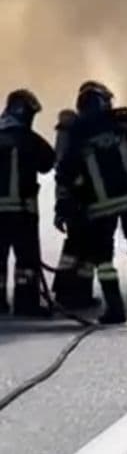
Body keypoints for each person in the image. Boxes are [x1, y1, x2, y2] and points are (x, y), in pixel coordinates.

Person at [55, 81, 127, 324]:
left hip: (99, 207)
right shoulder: (123, 126)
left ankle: (115, 311)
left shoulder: (78, 135)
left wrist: (64, 204)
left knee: (104, 259)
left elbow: (66, 173)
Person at [0, 89, 56, 316]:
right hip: (22, 213)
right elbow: (47, 162)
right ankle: (26, 304)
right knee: (26, 261)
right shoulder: (29, 140)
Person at [51, 108, 100, 310]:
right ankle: (79, 295)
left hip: (72, 201)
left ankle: (66, 292)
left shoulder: (66, 138)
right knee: (85, 248)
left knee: (75, 248)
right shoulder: (75, 140)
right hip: (82, 201)